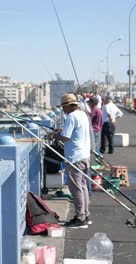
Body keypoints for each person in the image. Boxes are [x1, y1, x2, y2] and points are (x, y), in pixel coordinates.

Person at [51, 93, 91, 229]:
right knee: (83, 186)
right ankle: (85, 215)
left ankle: (80, 220)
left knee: (76, 189)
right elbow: (74, 132)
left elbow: (65, 138)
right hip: (85, 155)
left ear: (69, 106)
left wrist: (54, 135)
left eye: (64, 107)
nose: (63, 109)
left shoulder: (71, 116)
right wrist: (62, 131)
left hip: (75, 158)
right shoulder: (82, 114)